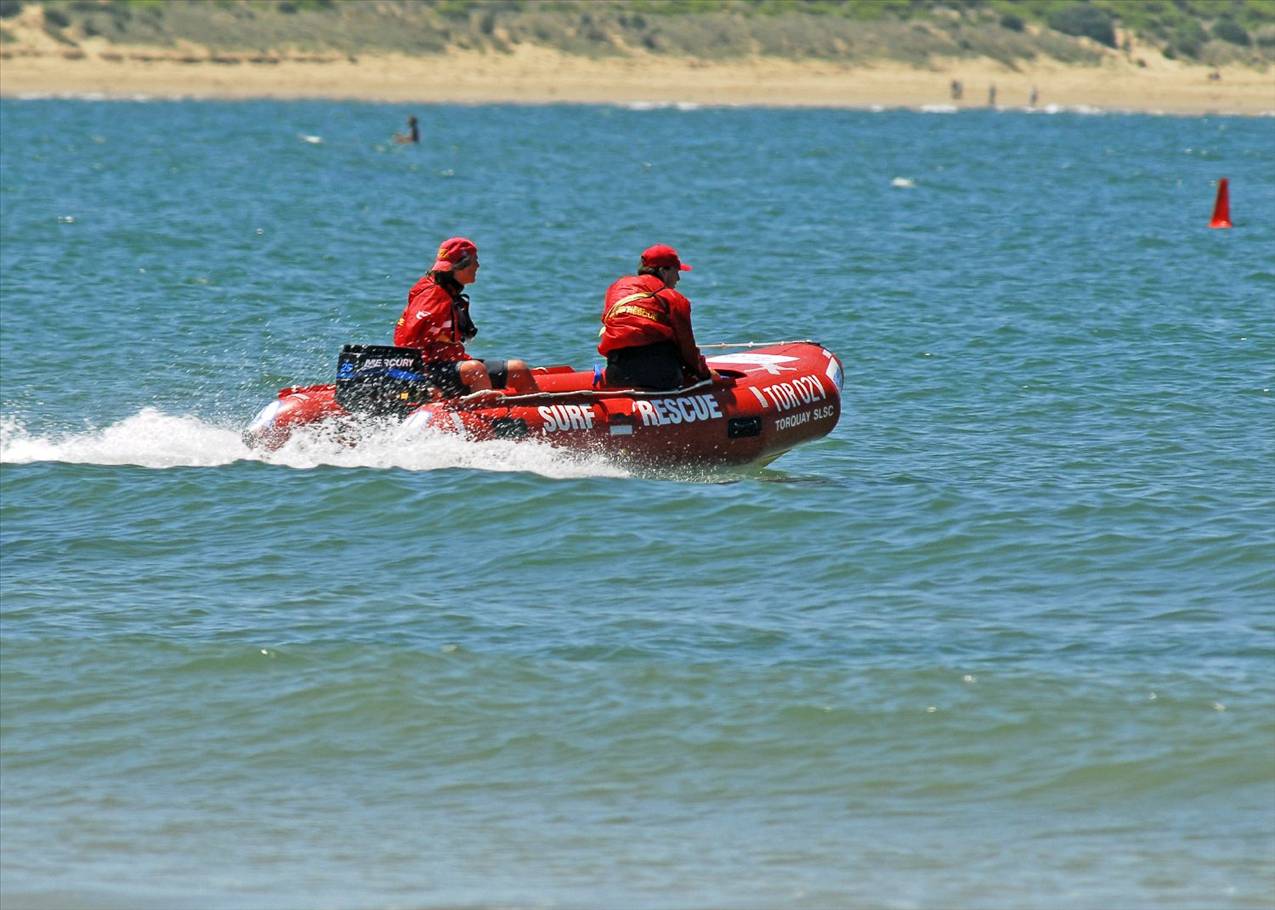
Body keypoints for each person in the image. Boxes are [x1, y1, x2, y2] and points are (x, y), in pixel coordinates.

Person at [394, 236, 536, 396]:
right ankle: (487, 417)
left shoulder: (450, 292)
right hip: (426, 372)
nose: (478, 265)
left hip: (451, 362)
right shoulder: (431, 296)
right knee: (474, 370)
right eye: (475, 260)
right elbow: (406, 344)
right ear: (460, 266)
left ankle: (538, 416)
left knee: (519, 369)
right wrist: (423, 382)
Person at [598, 244, 712, 390]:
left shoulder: (616, 288)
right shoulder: (673, 298)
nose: (678, 278)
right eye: (676, 271)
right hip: (660, 375)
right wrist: (705, 374)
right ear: (663, 271)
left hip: (616, 374)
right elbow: (687, 347)